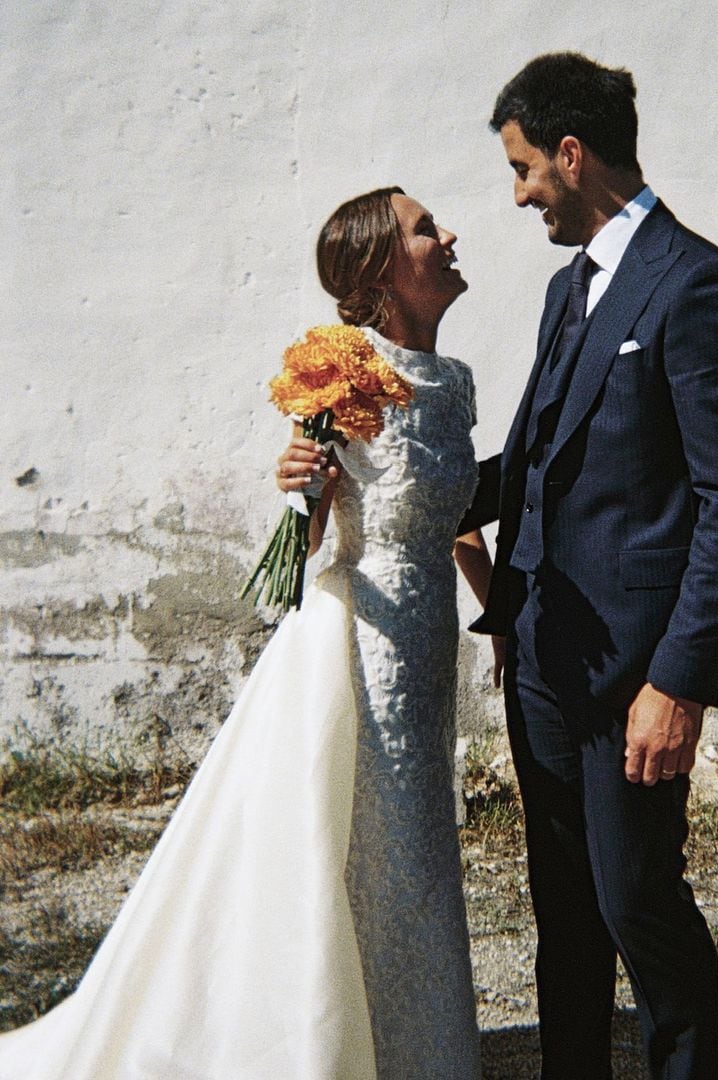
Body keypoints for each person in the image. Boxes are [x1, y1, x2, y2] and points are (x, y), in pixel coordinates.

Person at [0, 188, 490, 1080]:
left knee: (417, 847)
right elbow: (307, 539)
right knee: (357, 847)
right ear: (382, 265)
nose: (449, 235)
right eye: (427, 228)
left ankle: (413, 1042)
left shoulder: (452, 383)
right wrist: (304, 485)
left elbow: (455, 517)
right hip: (360, 643)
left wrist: (503, 615)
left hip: (429, 643)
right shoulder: (346, 369)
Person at [467, 53, 718, 1079]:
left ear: (572, 152)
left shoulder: (697, 285)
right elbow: (537, 460)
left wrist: (679, 682)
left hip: (636, 673)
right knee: (564, 913)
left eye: (524, 170)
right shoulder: (571, 289)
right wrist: (398, 482)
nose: (519, 196)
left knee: (635, 901)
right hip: (546, 657)